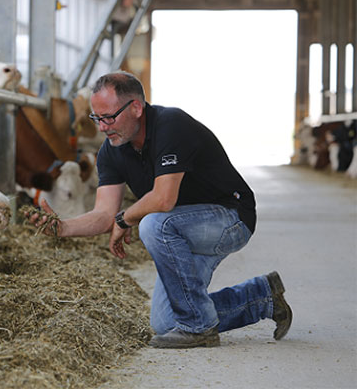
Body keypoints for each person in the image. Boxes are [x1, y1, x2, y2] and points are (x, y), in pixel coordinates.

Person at [24, 71, 292, 349]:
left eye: (108, 117)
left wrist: (125, 219)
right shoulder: (112, 150)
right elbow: (104, 215)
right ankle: (262, 297)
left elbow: (164, 199)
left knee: (153, 224)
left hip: (229, 218)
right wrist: (62, 227)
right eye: (96, 118)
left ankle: (200, 329)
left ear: (136, 108)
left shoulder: (171, 125)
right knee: (166, 323)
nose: (102, 127)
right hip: (181, 229)